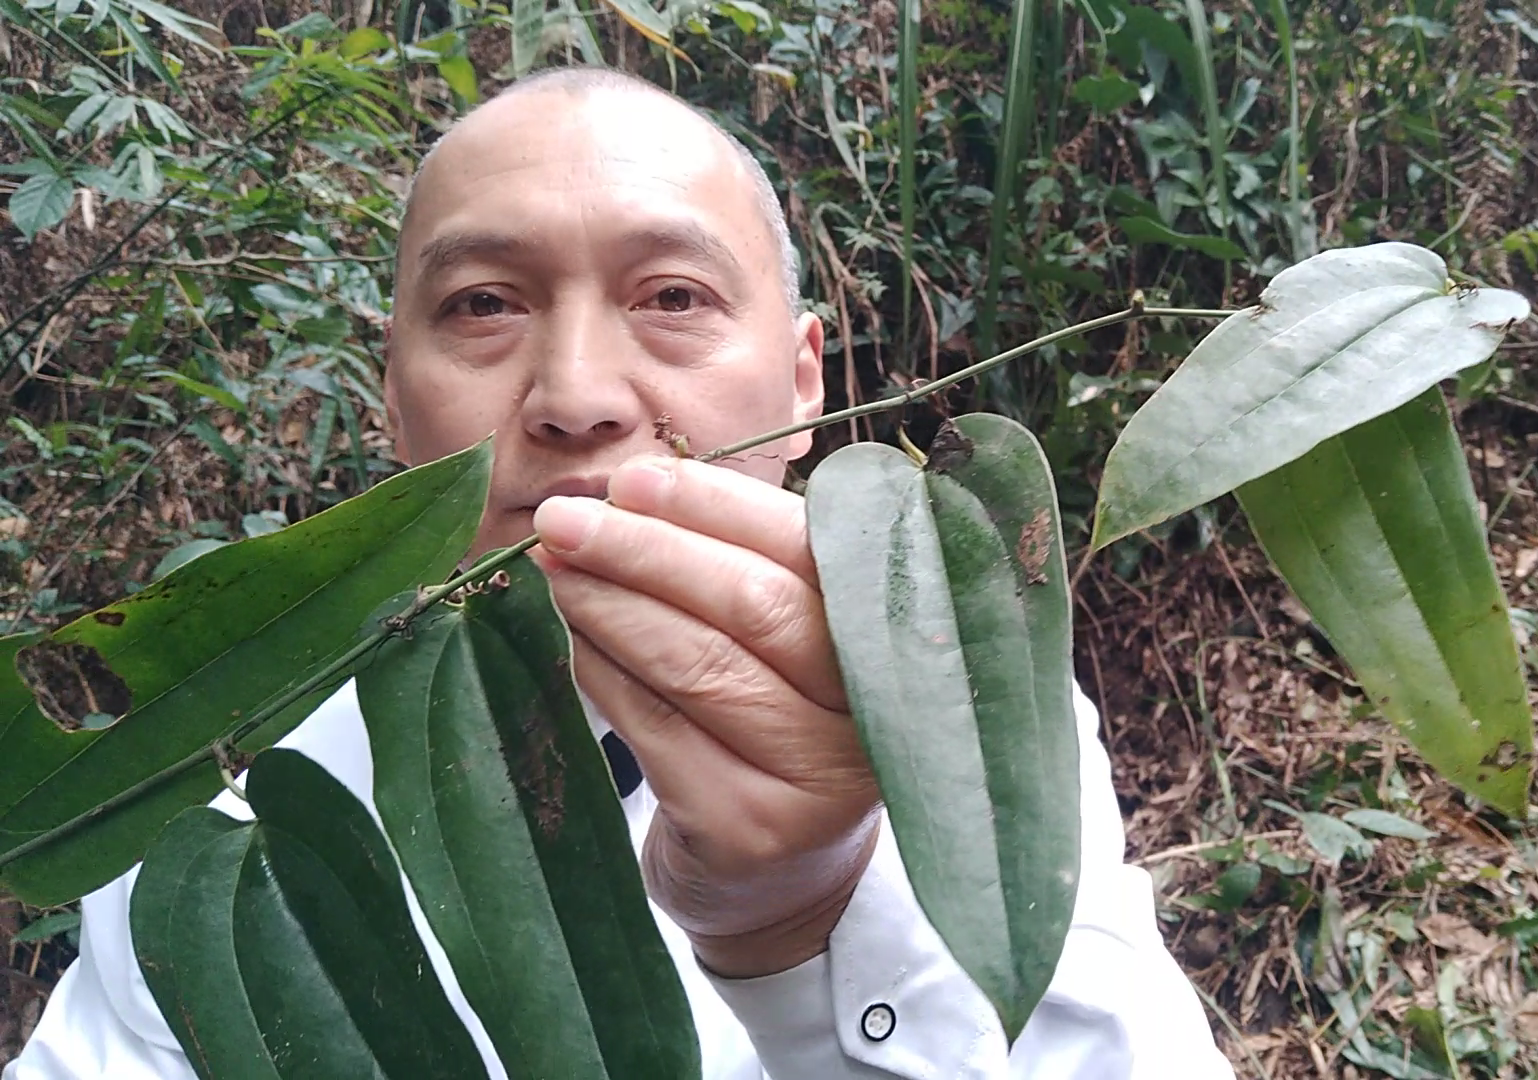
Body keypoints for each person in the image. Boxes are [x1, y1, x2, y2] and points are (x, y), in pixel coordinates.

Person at [7, 67, 1231, 1079]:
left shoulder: (950, 699)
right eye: (485, 304)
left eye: (675, 296)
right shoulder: (220, 773)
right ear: (391, 391)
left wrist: (814, 918)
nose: (578, 397)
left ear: (804, 382)